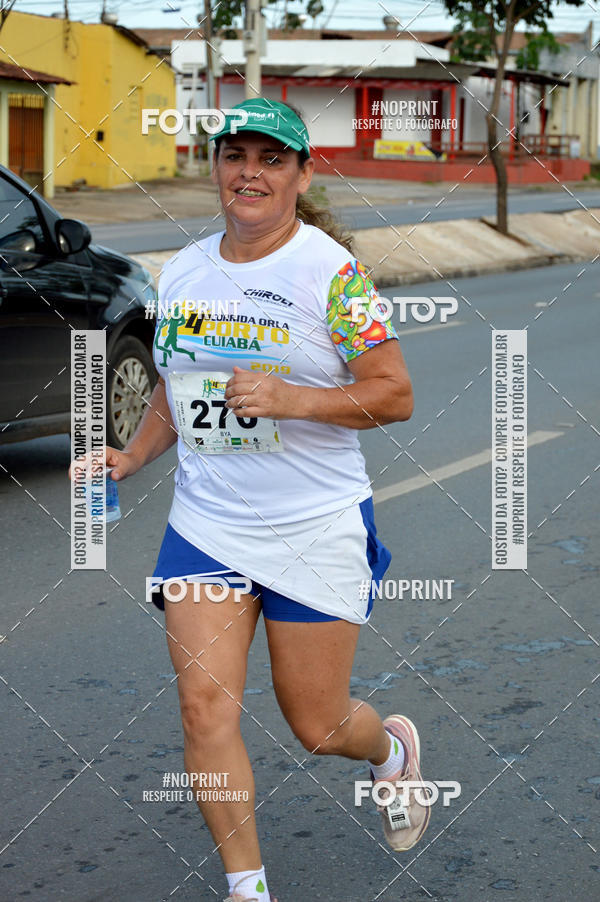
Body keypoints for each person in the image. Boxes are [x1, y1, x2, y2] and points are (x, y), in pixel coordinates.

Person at [78, 98, 429, 902]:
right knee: (204, 709)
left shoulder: (333, 275)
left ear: (302, 177)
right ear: (216, 169)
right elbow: (177, 385)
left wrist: (293, 398)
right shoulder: (189, 269)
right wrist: (130, 455)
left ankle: (391, 753)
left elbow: (395, 394)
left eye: (273, 160)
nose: (251, 173)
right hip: (209, 525)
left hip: (315, 525)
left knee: (320, 725)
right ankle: (248, 889)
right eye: (237, 156)